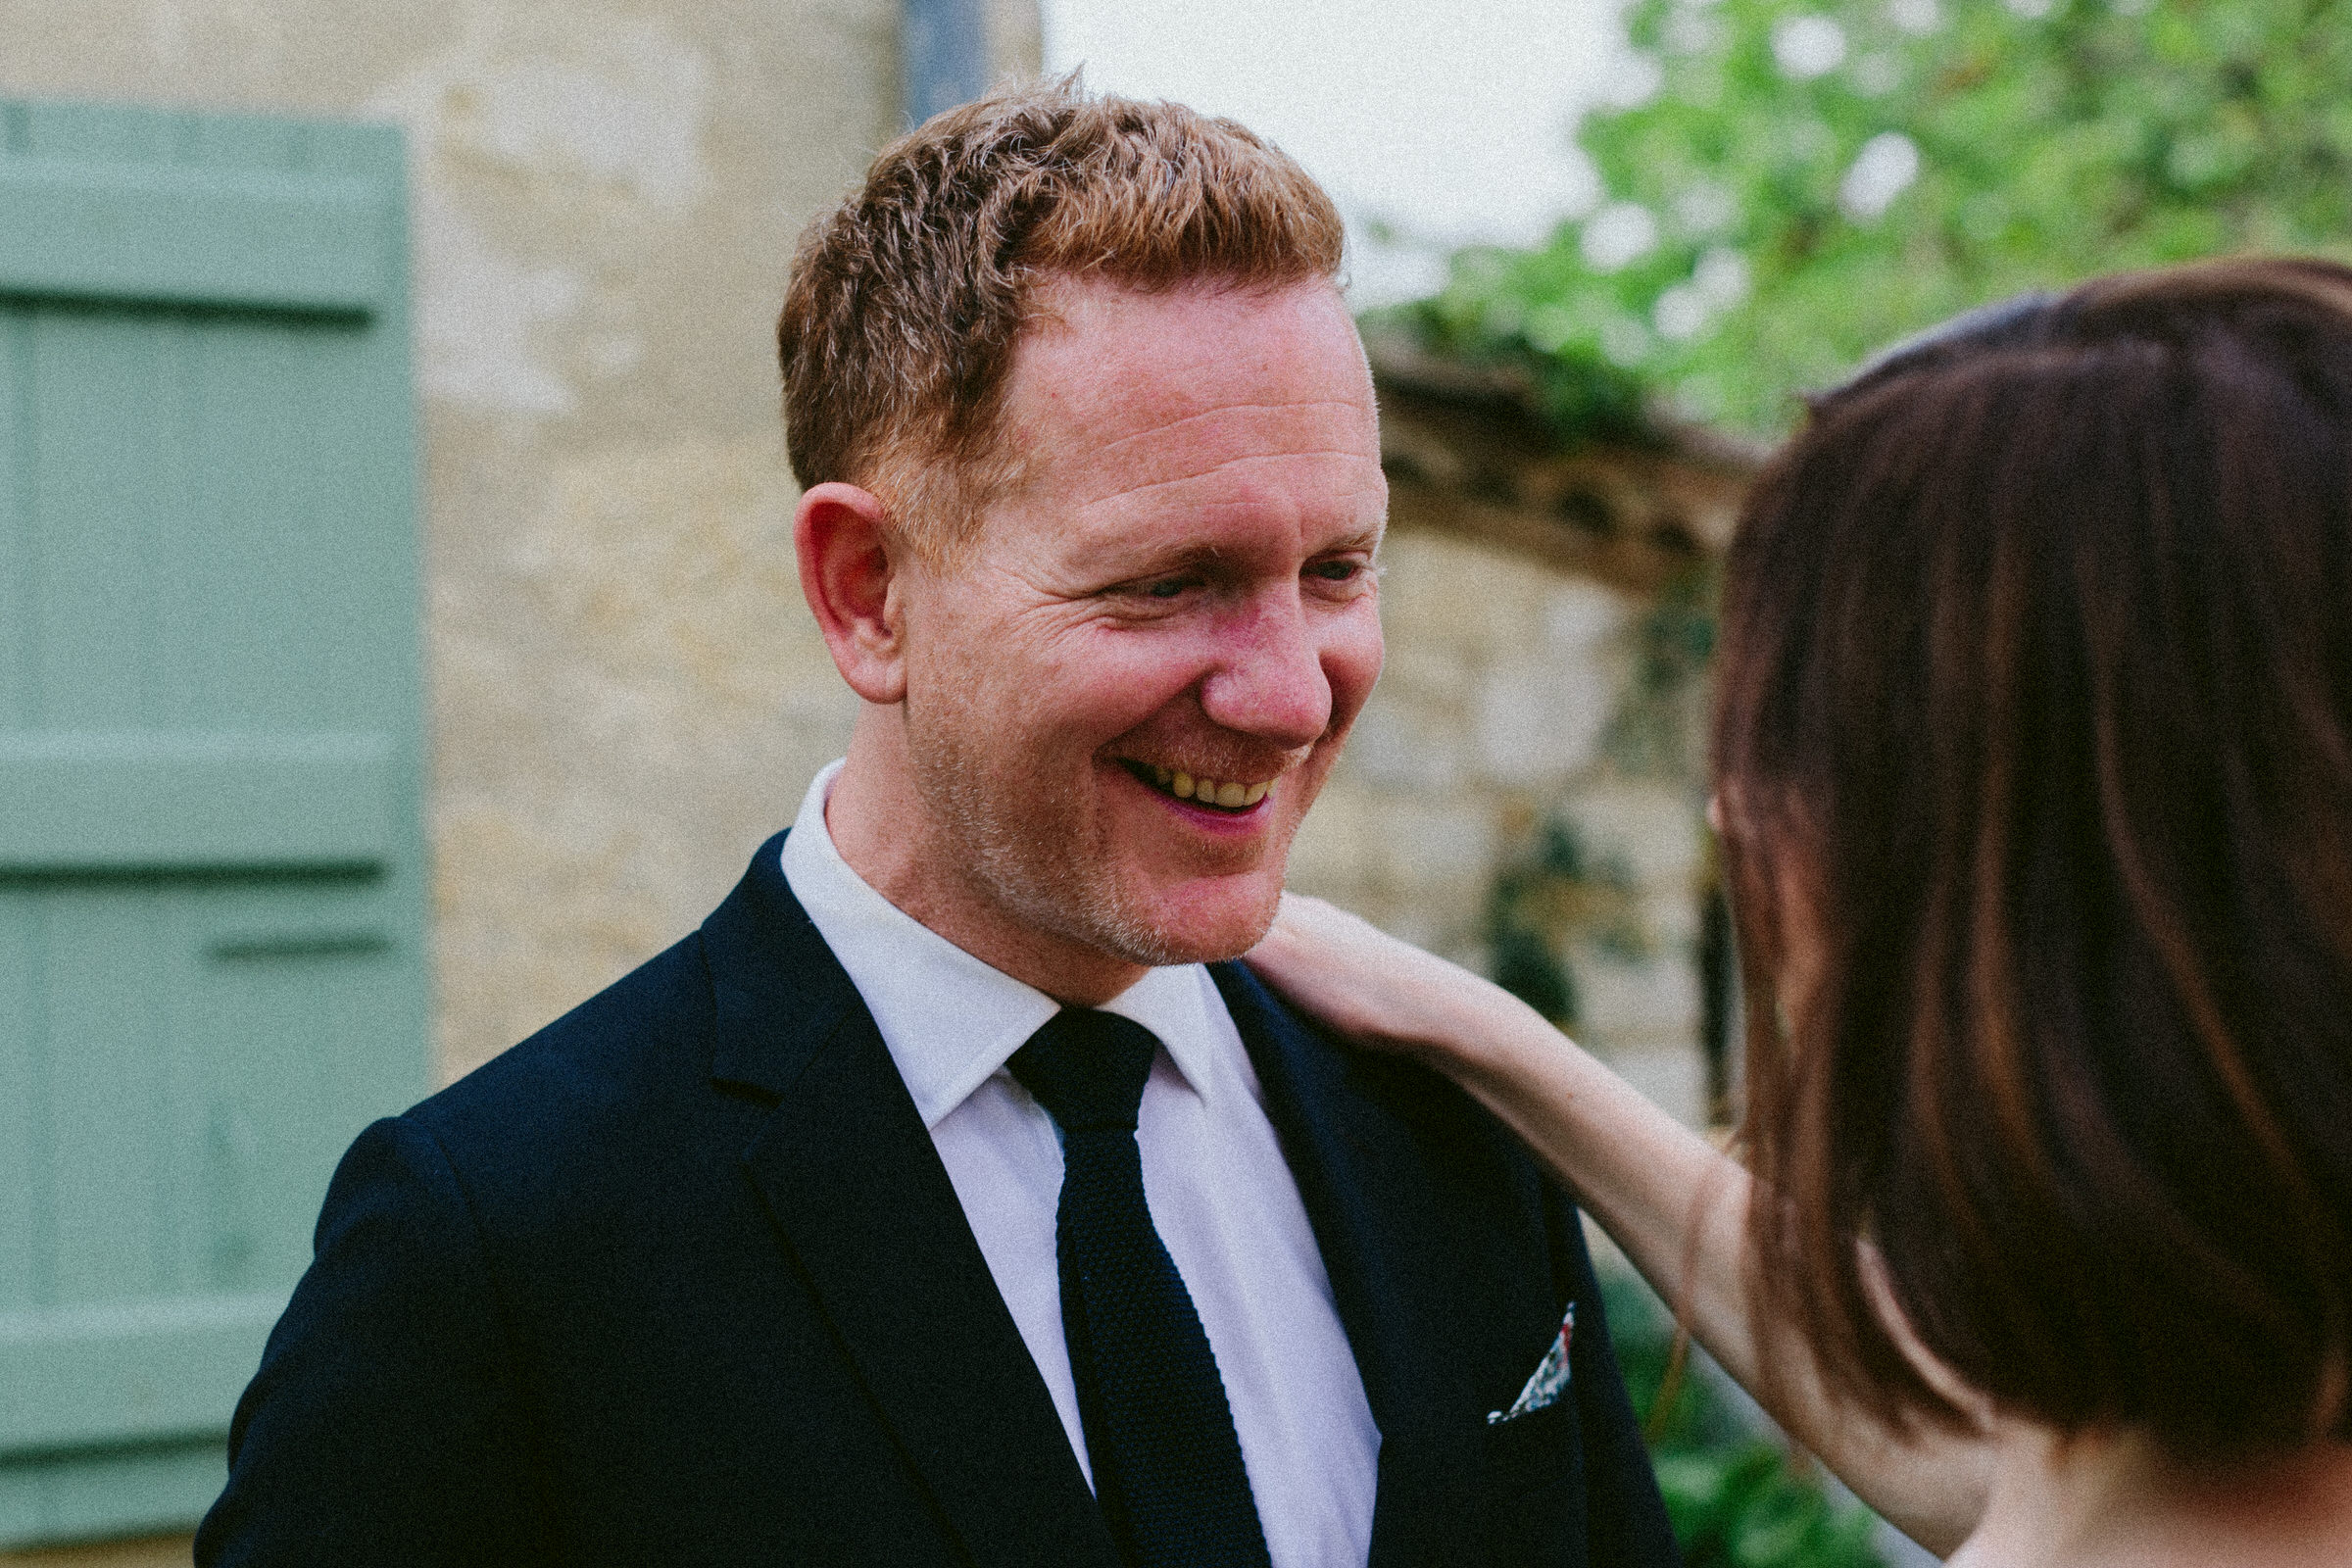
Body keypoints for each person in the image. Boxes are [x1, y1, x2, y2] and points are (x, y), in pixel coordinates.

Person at [195, 81, 1682, 1568]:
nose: (1294, 696)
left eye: (1340, 568)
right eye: (1169, 581)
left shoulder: (1444, 1127)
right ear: (868, 591)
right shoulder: (496, 1250)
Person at [1250, 256, 2352, 1567]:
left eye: (1804, 740)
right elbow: (2001, 1458)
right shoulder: (2222, 1444)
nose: (1738, 819)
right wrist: (1488, 1039)